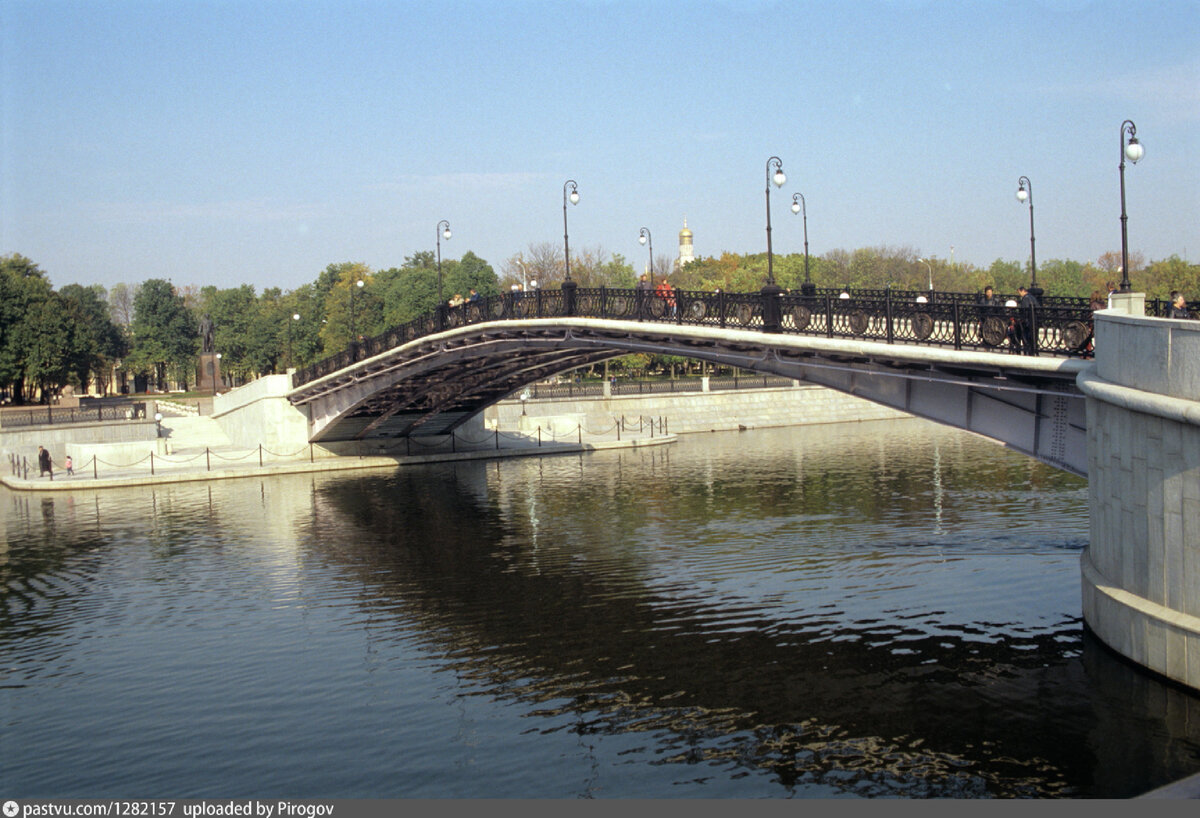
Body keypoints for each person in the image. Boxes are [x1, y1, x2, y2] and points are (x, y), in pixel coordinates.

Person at [1014, 284, 1039, 356]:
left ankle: (1026, 351)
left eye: (1019, 292)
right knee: (1033, 338)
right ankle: (1034, 351)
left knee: (1026, 338)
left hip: (1027, 322)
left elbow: (1024, 311)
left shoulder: (1025, 298)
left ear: (1022, 291)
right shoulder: (1032, 297)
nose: (1019, 294)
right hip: (1034, 321)